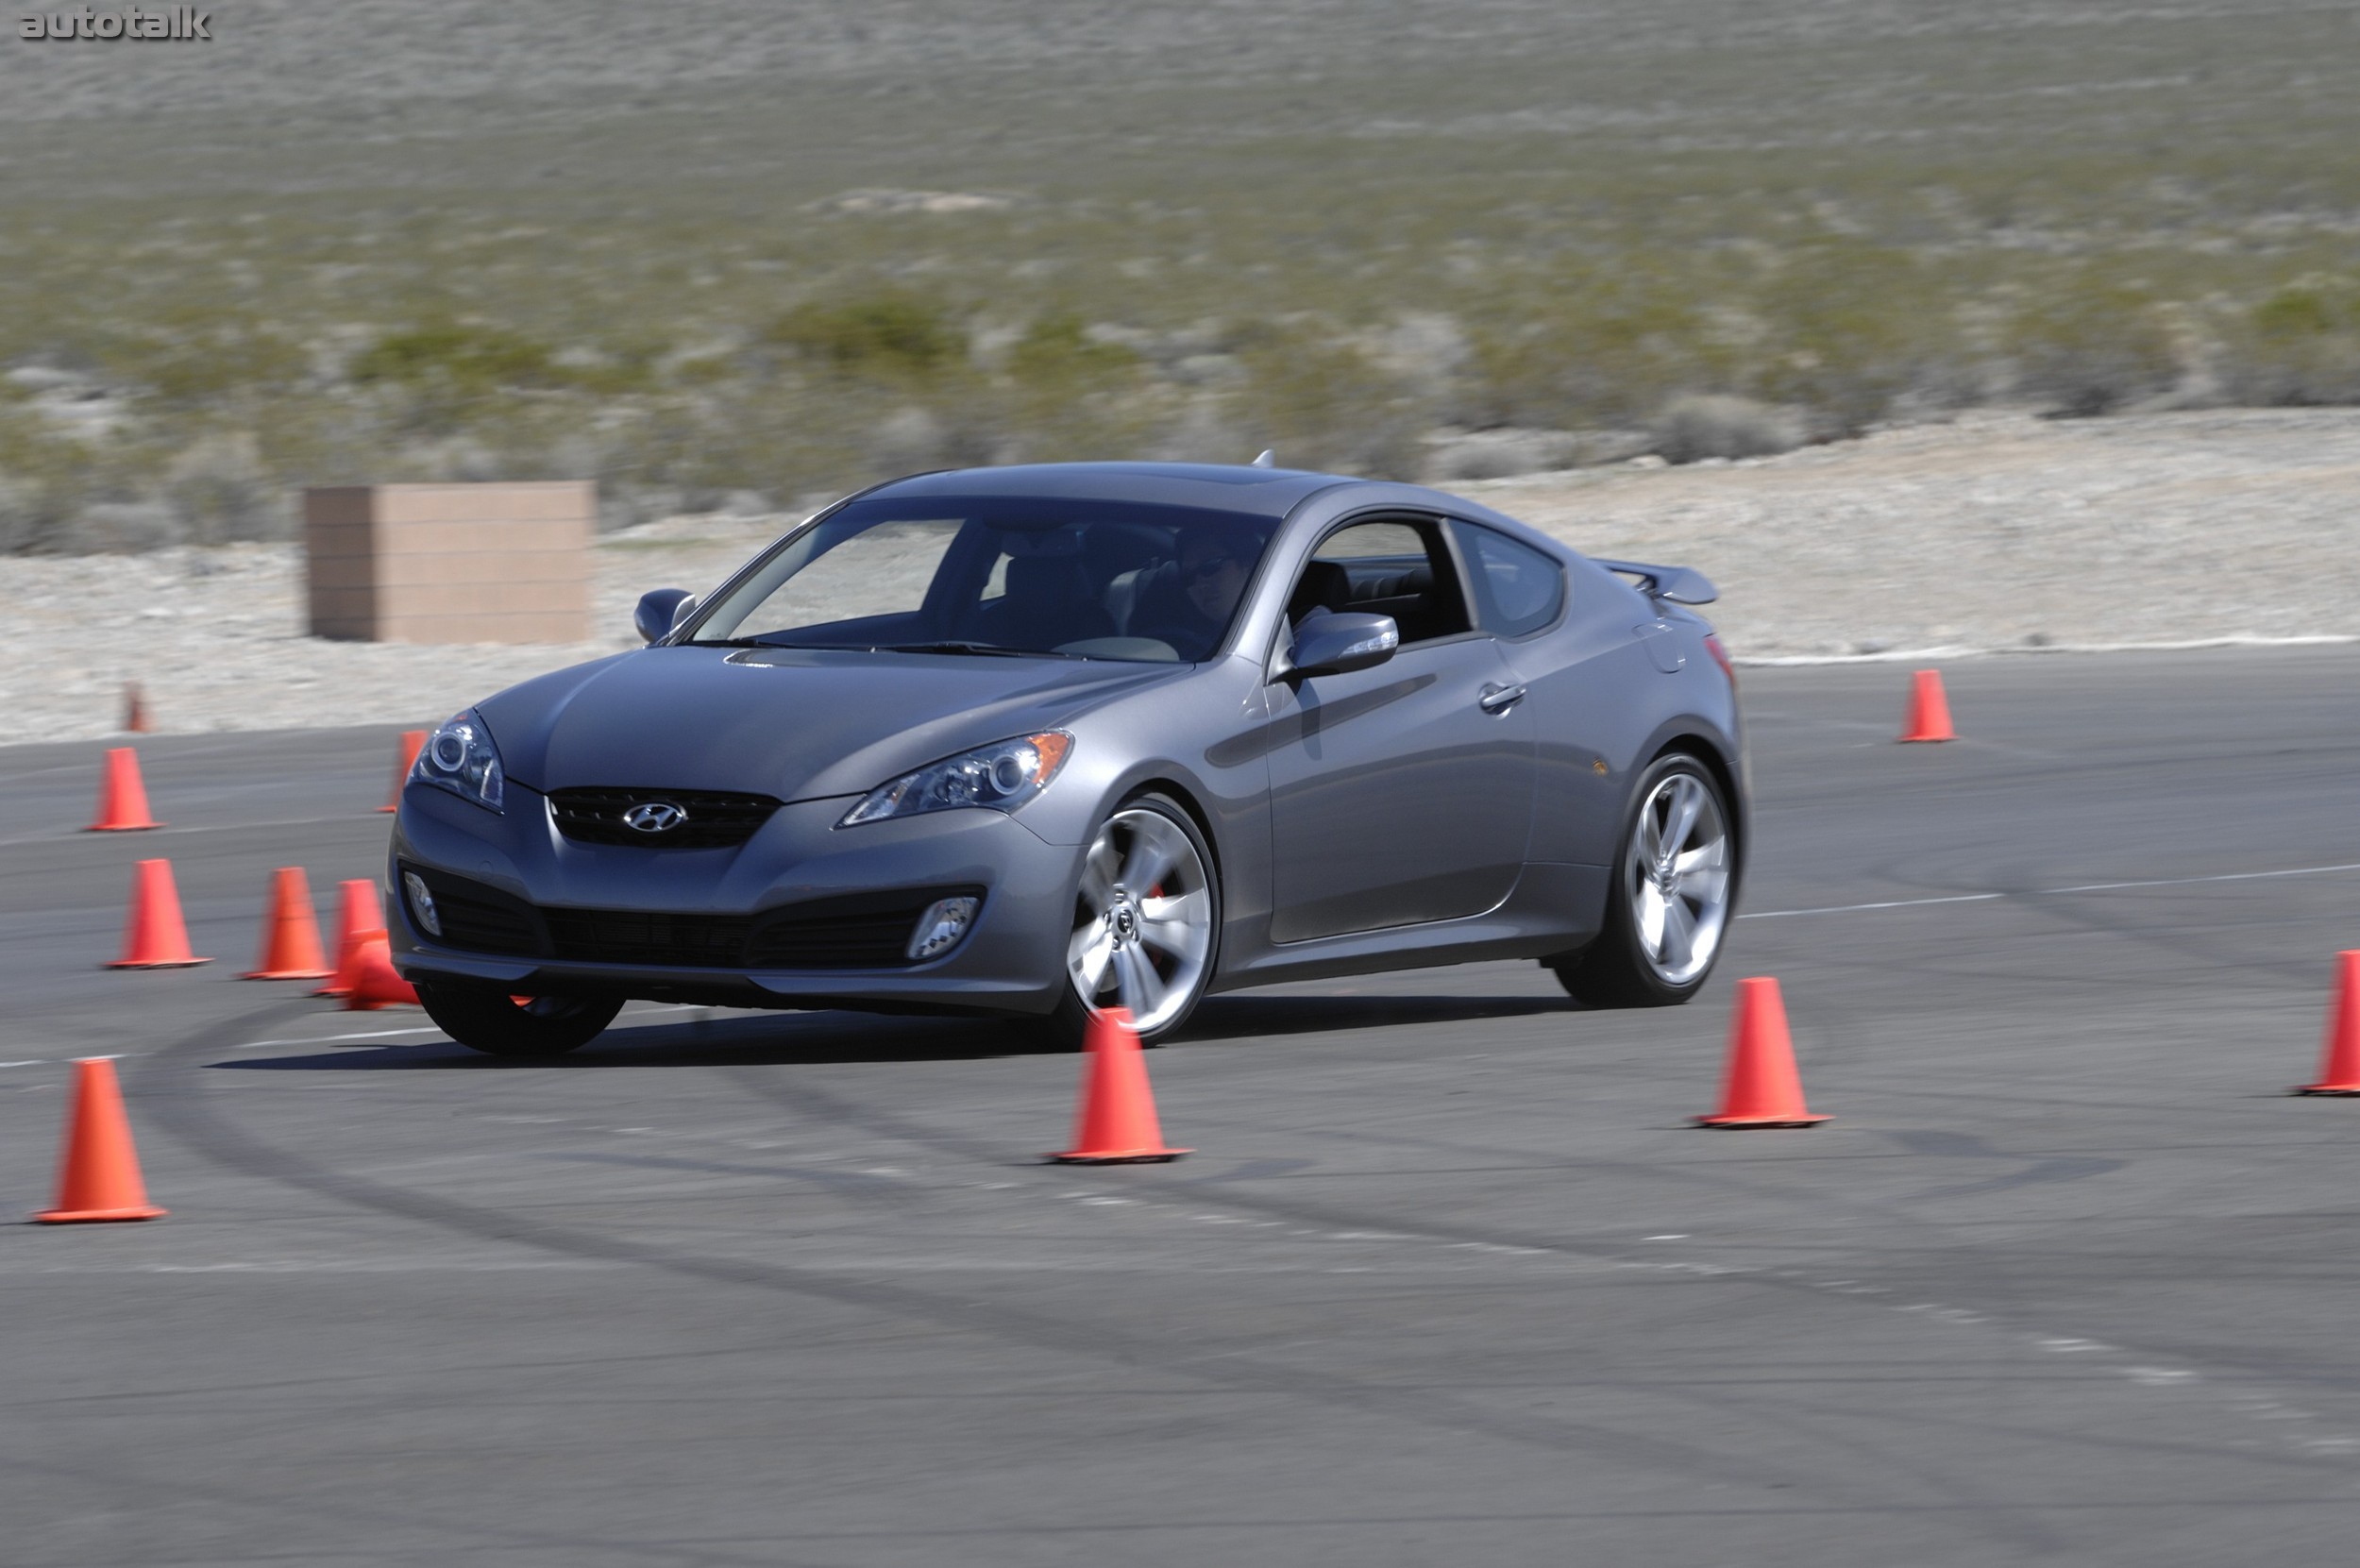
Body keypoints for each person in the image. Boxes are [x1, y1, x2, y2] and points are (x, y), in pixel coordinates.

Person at [1135, 531, 1251, 657]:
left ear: (1248, 565)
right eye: (1188, 577)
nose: (1200, 584)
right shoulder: (1178, 651)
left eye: (1210, 566)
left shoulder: (1273, 642)